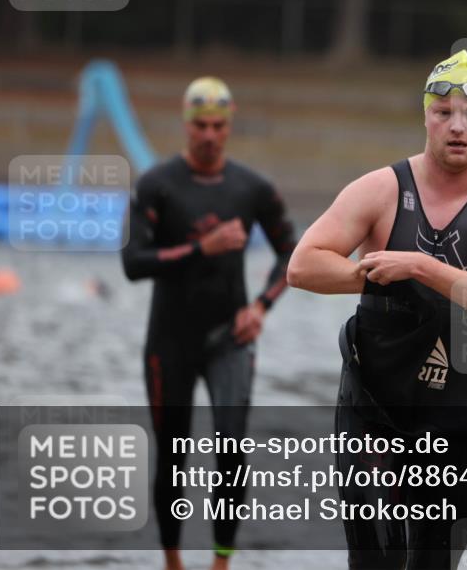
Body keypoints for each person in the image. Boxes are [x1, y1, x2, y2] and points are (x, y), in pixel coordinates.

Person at [287, 50, 467, 569]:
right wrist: (374, 273)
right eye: (443, 112)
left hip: (455, 407)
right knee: (373, 559)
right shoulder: (381, 188)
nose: (457, 126)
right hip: (372, 405)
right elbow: (302, 266)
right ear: (425, 115)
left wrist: (421, 268)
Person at [121, 76, 296, 570]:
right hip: (169, 341)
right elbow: (133, 263)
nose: (209, 135)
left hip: (231, 340)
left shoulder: (252, 188)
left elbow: (293, 253)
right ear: (186, 123)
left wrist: (260, 306)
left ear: (229, 124)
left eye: (219, 126)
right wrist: (203, 247)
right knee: (172, 456)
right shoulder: (156, 185)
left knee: (231, 450)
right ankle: (172, 561)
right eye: (201, 125)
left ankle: (221, 562)